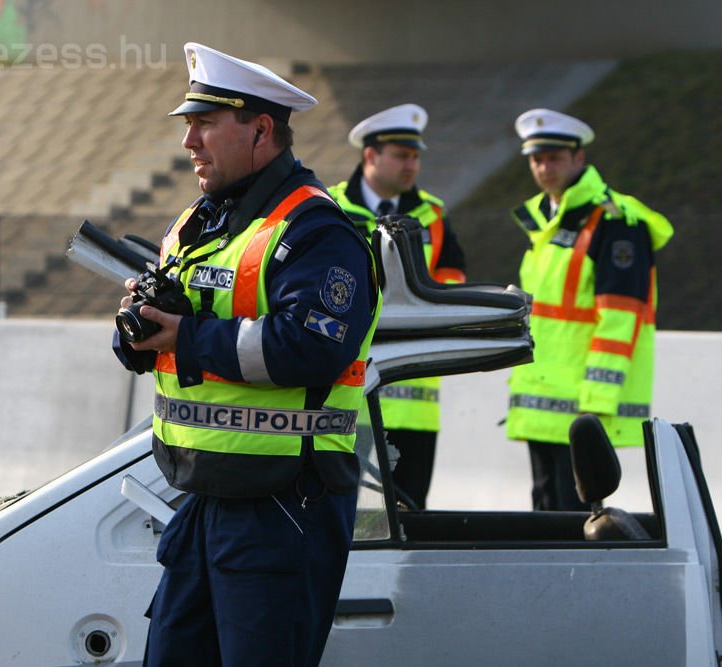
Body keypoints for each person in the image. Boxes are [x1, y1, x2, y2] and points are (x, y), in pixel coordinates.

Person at [113, 42, 381, 666]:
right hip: (205, 501)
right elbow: (171, 339)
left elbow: (309, 348)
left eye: (205, 124)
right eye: (189, 126)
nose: (190, 143)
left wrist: (186, 333)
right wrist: (139, 333)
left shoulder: (318, 232)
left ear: (261, 129)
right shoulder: (197, 225)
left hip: (285, 509)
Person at [505, 109, 673, 511]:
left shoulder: (615, 223)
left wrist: (597, 402)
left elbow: (620, 318)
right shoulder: (545, 223)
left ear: (579, 158)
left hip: (583, 408)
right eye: (536, 159)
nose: (544, 168)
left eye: (555, 158)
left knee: (574, 527)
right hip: (541, 403)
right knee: (545, 521)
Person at [328, 103, 466, 510]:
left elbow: (453, 286)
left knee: (410, 512)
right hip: (347, 389)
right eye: (402, 155)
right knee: (334, 504)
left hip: (413, 394)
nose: (412, 165)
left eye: (416, 156)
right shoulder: (329, 208)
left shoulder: (432, 216)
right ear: (370, 155)